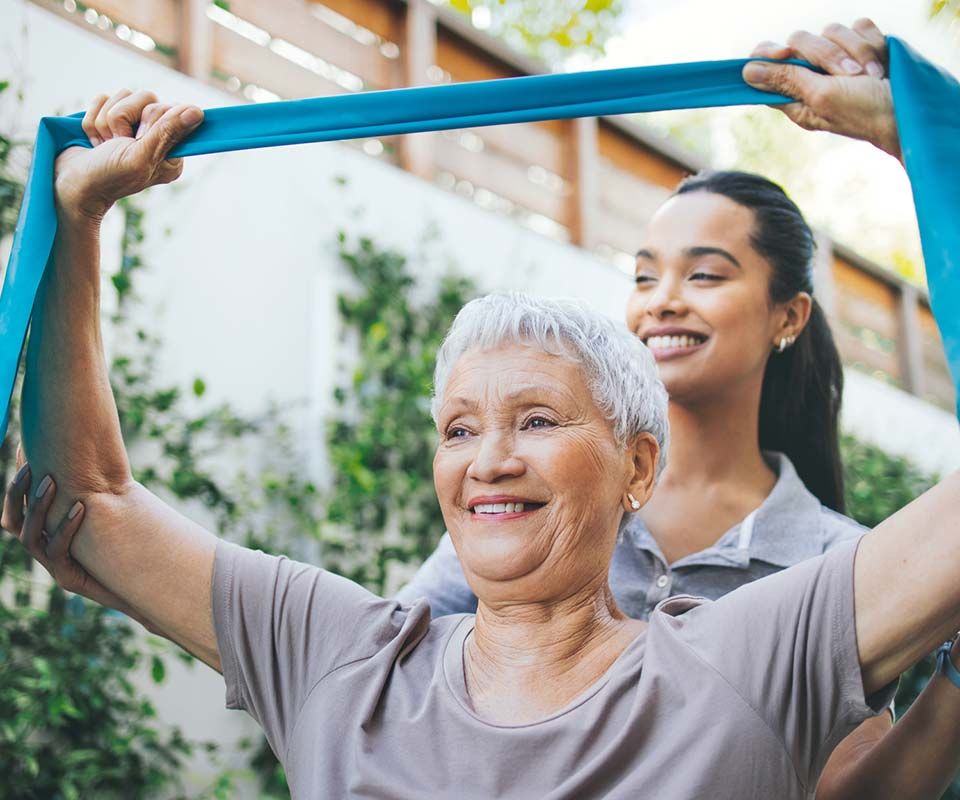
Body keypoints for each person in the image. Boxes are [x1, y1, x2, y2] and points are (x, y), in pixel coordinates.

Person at [4, 18, 960, 800]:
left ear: (637, 467)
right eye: (459, 429)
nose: (488, 459)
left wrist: (918, 132)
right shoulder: (342, 652)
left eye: (538, 421)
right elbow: (91, 503)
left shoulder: (743, 654)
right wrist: (78, 221)